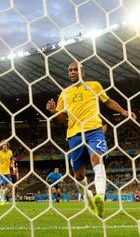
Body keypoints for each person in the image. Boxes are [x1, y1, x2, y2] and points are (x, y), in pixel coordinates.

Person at [46, 62, 137, 217]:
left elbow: (107, 101)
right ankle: (88, 196)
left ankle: (100, 198)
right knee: (79, 176)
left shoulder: (94, 86)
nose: (73, 72)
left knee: (96, 158)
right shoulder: (64, 93)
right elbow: (61, 119)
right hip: (74, 135)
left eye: (76, 69)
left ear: (83, 72)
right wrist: (53, 111)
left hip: (94, 130)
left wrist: (123, 111)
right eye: (70, 70)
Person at [0, 140, 13, 205]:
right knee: (3, 186)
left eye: (5, 145)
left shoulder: (10, 152)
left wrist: (12, 165)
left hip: (8, 172)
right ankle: (2, 199)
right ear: (1, 146)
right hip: (1, 172)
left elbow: (11, 160)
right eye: (3, 145)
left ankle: (2, 197)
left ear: (7, 145)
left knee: (10, 186)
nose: (4, 146)